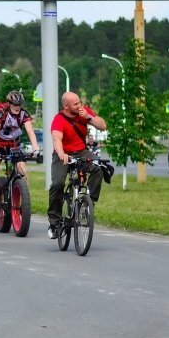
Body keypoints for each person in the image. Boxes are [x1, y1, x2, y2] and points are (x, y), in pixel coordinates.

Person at [47, 91, 108, 239]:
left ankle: (88, 205)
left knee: (99, 169)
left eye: (79, 102)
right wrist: (62, 154)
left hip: (82, 152)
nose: (79, 105)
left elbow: (103, 126)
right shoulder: (59, 119)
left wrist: (89, 118)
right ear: (66, 106)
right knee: (57, 183)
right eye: (76, 104)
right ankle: (54, 222)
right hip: (63, 154)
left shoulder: (84, 112)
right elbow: (57, 139)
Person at [0, 90, 42, 205]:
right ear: (9, 103)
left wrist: (36, 148)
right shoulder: (1, 112)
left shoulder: (24, 114)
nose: (17, 107)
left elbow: (30, 131)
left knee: (23, 170)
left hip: (14, 145)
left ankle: (24, 202)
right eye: (14, 104)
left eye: (19, 104)